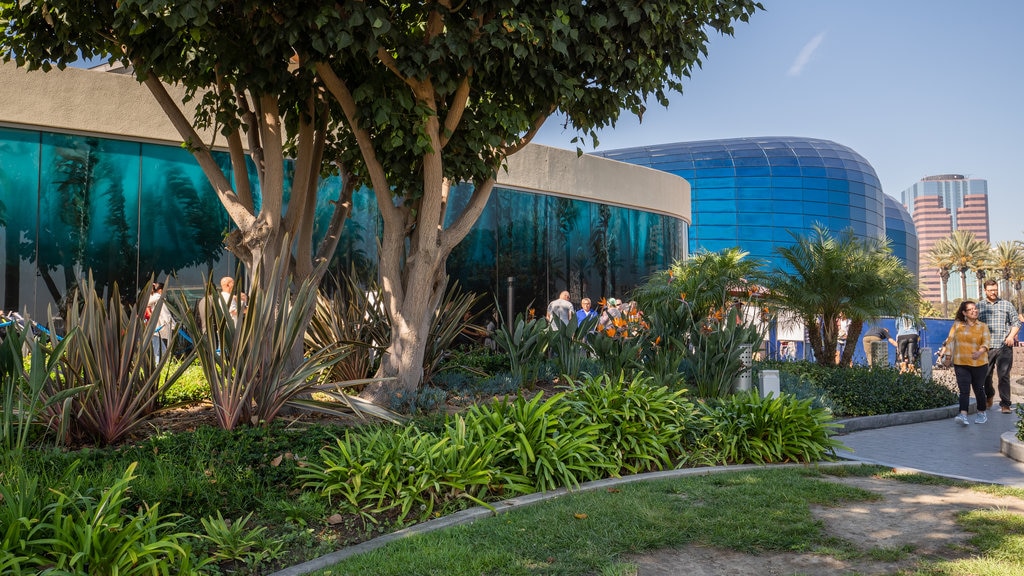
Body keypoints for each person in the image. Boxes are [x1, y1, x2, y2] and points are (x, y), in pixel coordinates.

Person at [938, 301, 990, 425]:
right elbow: (950, 341)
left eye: (975, 308)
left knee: (978, 389)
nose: (974, 311)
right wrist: (948, 357)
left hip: (979, 363)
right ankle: (963, 415)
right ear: (964, 313)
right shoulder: (957, 325)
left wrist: (980, 352)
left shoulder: (983, 326)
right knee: (964, 390)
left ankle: (982, 413)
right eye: (970, 309)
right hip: (961, 362)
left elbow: (986, 342)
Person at [976, 279, 1021, 414]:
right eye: (990, 290)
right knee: (985, 376)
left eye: (995, 289)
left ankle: (1005, 404)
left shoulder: (1006, 305)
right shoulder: (979, 307)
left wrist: (1011, 336)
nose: (993, 292)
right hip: (986, 348)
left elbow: (1017, 323)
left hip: (1004, 346)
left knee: (1004, 376)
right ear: (985, 291)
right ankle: (990, 394)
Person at [147, 281, 175, 363]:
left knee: (161, 350)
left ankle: (161, 366)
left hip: (153, 329)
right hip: (158, 329)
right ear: (160, 291)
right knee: (158, 352)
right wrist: (173, 325)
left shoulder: (151, 299)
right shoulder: (160, 299)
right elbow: (165, 314)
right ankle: (158, 368)